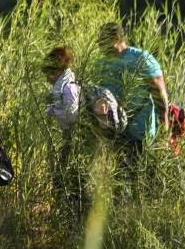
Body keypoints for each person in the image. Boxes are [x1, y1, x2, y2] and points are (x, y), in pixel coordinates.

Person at [95, 22, 170, 153]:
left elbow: (160, 95)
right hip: (116, 133)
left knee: (142, 170)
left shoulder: (141, 59)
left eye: (104, 41)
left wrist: (164, 132)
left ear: (117, 38)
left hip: (140, 133)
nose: (100, 46)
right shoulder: (102, 63)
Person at [44, 45, 80, 132]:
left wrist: (53, 111)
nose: (47, 78)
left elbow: (72, 116)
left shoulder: (68, 88)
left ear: (58, 71)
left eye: (50, 73)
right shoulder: (61, 87)